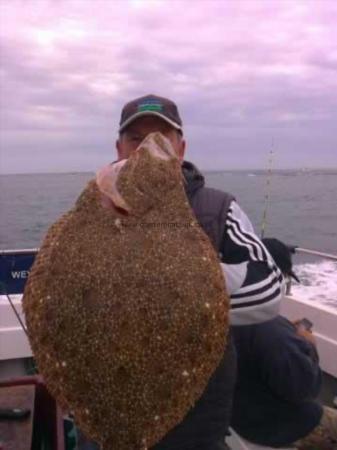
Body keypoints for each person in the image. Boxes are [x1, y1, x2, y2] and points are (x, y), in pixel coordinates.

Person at [78, 94, 284, 450]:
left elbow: (268, 289)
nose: (148, 149)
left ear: (181, 148)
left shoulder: (218, 209)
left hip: (192, 422)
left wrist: (180, 278)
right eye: (137, 139)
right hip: (102, 413)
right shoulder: (90, 211)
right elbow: (62, 293)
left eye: (162, 138)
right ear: (119, 148)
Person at [230, 237, 337, 449]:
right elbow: (306, 390)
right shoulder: (271, 331)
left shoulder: (228, 313)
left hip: (239, 417)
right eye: (285, 277)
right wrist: (309, 346)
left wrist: (286, 331)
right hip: (278, 427)